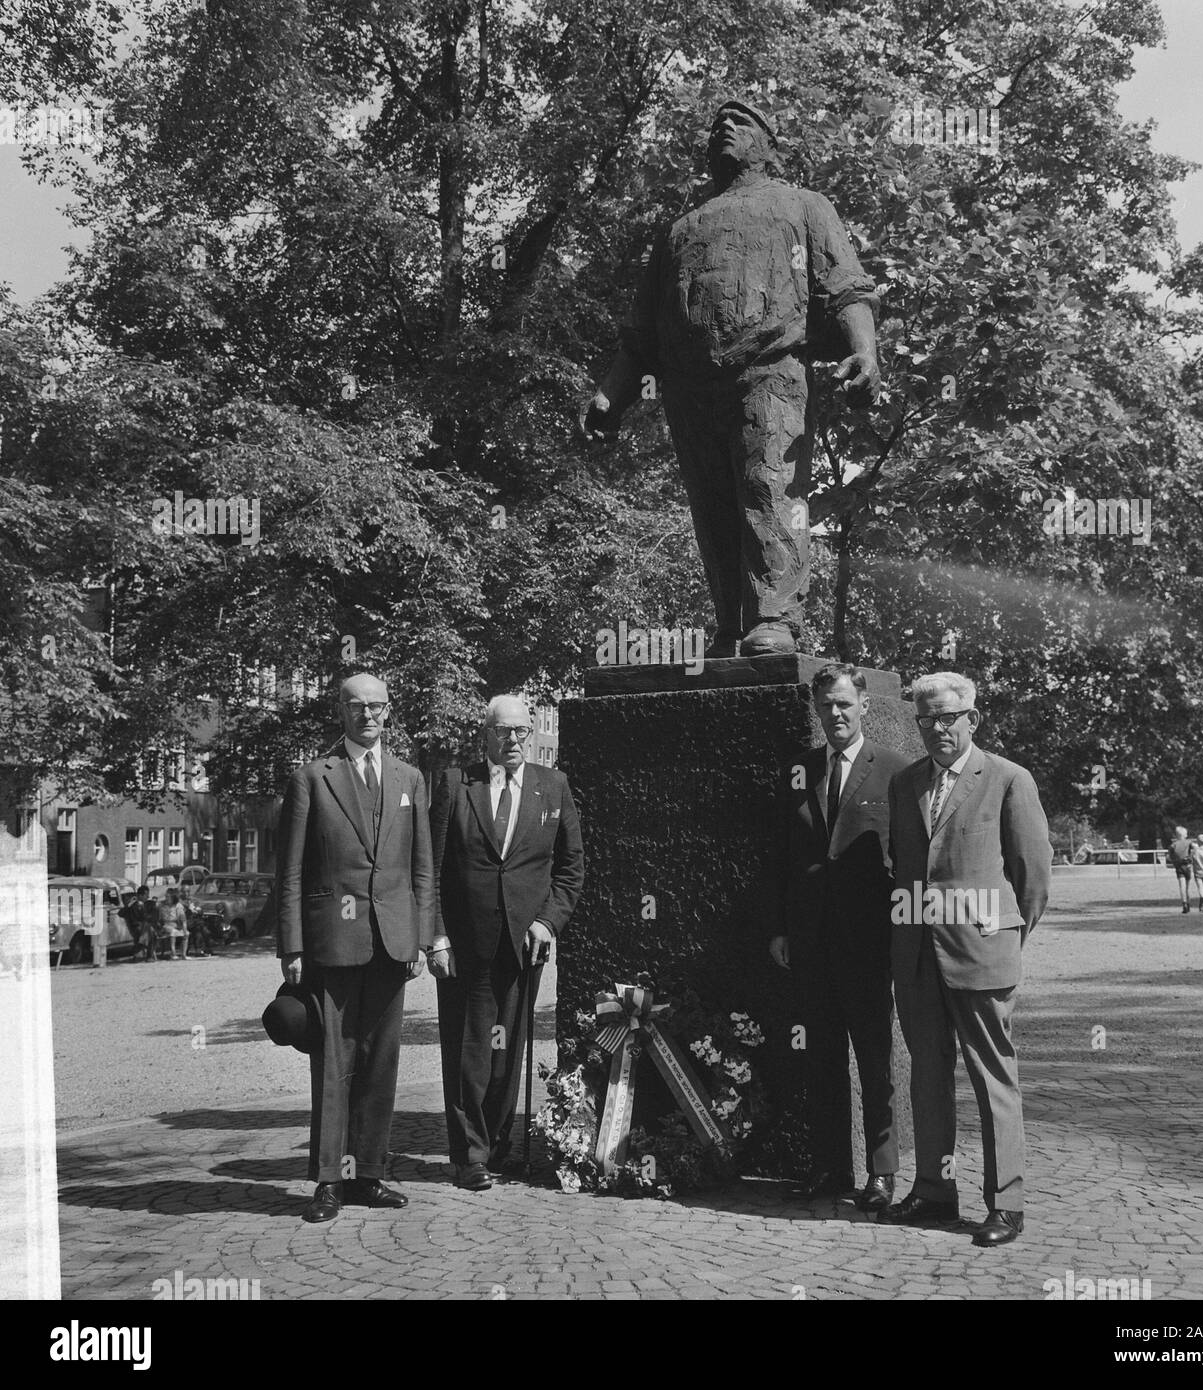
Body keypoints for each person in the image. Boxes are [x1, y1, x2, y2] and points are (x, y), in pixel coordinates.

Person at [583, 99, 881, 658]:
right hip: (688, 385)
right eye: (718, 121)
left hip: (770, 370)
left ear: (769, 146)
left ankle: (775, 617)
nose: (725, 126)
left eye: (742, 121)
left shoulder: (804, 205)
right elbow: (642, 333)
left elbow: (845, 286)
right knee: (713, 504)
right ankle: (729, 624)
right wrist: (610, 395)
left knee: (769, 487)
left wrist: (865, 350)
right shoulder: (677, 230)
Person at [886, 672, 1052, 1248]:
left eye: (948, 717)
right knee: (928, 1077)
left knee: (993, 1079)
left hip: (982, 955)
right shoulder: (905, 783)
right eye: (926, 718)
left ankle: (1006, 1205)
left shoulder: (1009, 779)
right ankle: (934, 1190)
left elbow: (1033, 880)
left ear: (972, 719)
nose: (936, 728)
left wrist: (1003, 937)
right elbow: (902, 865)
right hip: (917, 956)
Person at [276, 673, 436, 1223]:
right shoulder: (312, 778)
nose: (368, 715)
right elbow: (291, 870)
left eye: (376, 707)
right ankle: (327, 1181)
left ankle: (367, 1175)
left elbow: (422, 869)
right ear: (340, 712)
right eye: (356, 706)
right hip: (332, 943)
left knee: (381, 1064)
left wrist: (419, 936)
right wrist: (291, 946)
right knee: (334, 1064)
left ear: (389, 712)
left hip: (393, 943)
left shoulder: (410, 777)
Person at [431, 694, 585, 1191]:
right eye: (503, 732)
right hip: (464, 944)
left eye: (522, 732)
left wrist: (547, 922)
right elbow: (429, 870)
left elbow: (570, 869)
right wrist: (435, 936)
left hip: (525, 943)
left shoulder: (553, 786)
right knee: (468, 1049)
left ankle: (497, 1145)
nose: (514, 740)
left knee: (507, 1046)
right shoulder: (456, 784)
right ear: (487, 734)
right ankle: (468, 1155)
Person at [769, 663, 908, 1211]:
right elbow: (779, 858)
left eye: (845, 704)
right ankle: (828, 1166)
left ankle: (882, 1171)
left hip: (869, 945)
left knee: (875, 1062)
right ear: (816, 709)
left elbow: (908, 862)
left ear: (865, 706)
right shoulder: (798, 773)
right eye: (826, 705)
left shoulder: (896, 772)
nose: (836, 714)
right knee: (820, 1057)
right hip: (810, 943)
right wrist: (779, 928)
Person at [118, 888, 152, 961]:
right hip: (138, 928)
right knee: (151, 932)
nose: (148, 897)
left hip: (138, 928)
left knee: (150, 930)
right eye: (146, 895)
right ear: (140, 895)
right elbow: (120, 913)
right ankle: (147, 956)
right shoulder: (136, 905)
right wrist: (129, 904)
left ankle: (141, 953)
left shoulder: (138, 904)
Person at [156, 888, 189, 960]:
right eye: (166, 896)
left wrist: (184, 930)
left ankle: (184, 955)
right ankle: (173, 953)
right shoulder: (161, 905)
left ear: (173, 897)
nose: (166, 898)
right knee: (172, 932)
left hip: (176, 925)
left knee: (186, 933)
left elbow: (183, 920)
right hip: (165, 925)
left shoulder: (178, 906)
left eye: (168, 897)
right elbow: (158, 918)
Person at [1167, 825, 1194, 913]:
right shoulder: (1189, 842)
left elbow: (1170, 855)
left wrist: (1175, 861)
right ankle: (1188, 903)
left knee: (1182, 886)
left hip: (1179, 867)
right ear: (1185, 835)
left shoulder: (1173, 845)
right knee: (1187, 886)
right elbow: (1195, 848)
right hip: (1187, 866)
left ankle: (1184, 904)